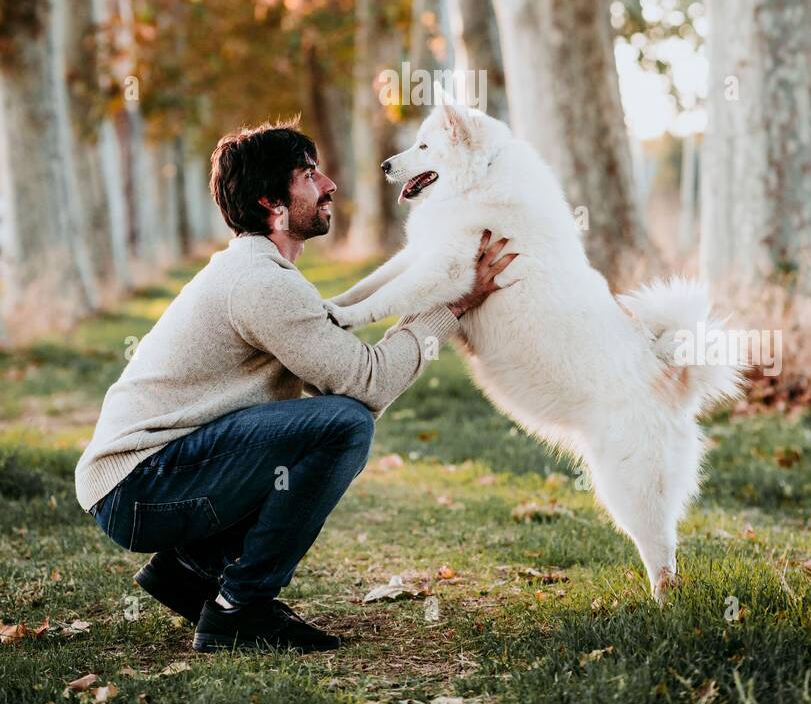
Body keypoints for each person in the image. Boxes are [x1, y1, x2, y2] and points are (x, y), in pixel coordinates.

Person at [75, 120, 517, 654]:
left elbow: (330, 363)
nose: (329, 184)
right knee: (342, 425)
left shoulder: (261, 274)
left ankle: (191, 571)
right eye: (310, 175)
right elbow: (368, 384)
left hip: (144, 481)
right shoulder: (261, 284)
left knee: (322, 426)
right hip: (140, 487)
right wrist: (449, 308)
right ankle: (239, 608)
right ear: (272, 203)